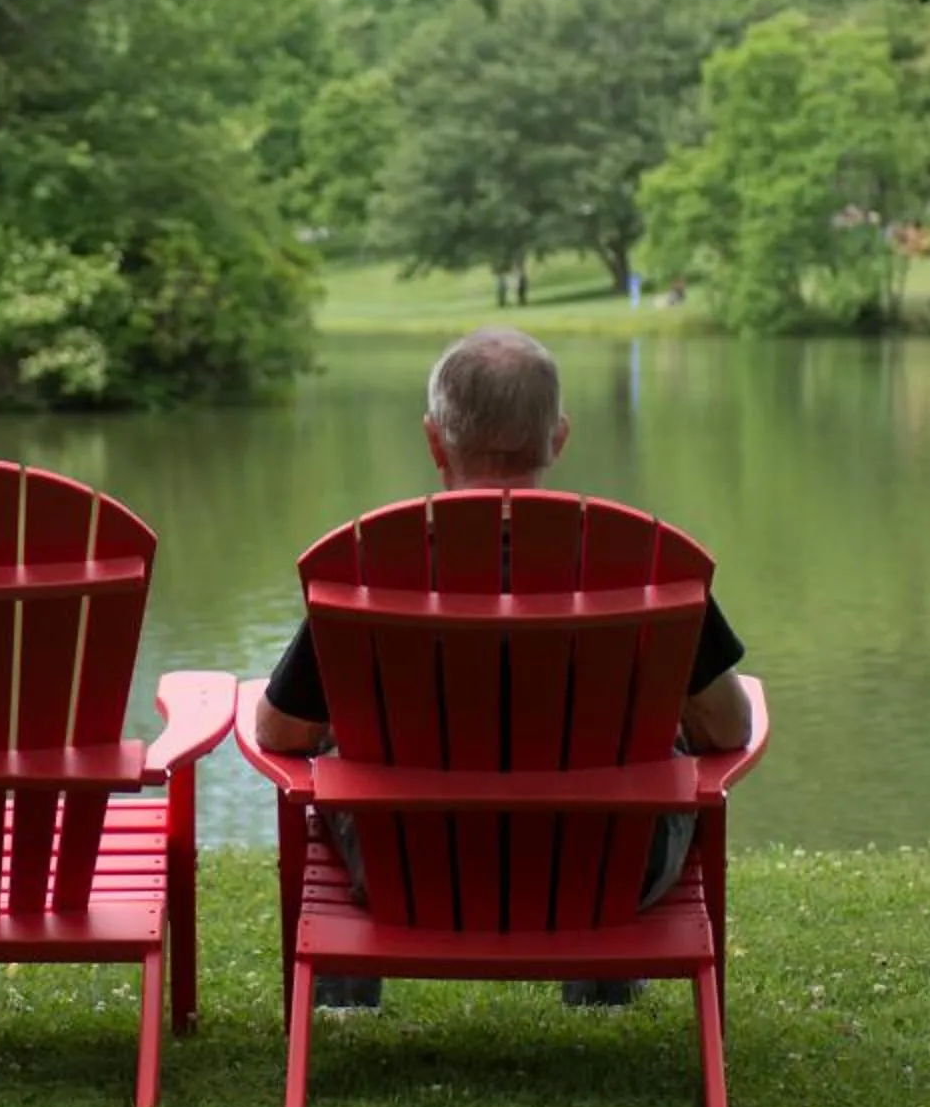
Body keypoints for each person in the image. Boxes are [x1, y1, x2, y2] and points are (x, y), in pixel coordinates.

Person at [251, 327, 752, 1010]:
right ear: (558, 439)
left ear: (434, 442)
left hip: (406, 869)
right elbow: (728, 725)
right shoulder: (643, 560)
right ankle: (602, 1005)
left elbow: (281, 733)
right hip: (612, 871)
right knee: (660, 759)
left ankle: (343, 1012)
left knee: (338, 772)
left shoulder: (371, 565)